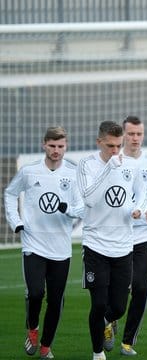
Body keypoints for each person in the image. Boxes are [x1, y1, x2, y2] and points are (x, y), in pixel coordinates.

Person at [4, 126, 84, 360]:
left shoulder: (72, 173)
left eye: (60, 146)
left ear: (65, 147)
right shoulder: (29, 172)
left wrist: (67, 209)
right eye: (52, 146)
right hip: (33, 244)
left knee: (56, 299)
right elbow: (9, 193)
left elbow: (81, 207)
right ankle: (32, 328)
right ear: (44, 145)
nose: (56, 150)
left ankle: (46, 346)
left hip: (60, 247)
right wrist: (16, 222)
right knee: (36, 293)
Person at [77, 121, 147, 360]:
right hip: (96, 244)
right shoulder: (87, 165)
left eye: (119, 146)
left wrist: (137, 208)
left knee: (118, 307)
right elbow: (89, 199)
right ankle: (98, 352)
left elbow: (141, 193)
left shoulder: (131, 165)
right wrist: (108, 168)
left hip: (123, 246)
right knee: (98, 304)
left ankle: (106, 323)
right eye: (110, 146)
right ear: (99, 142)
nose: (115, 151)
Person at [109, 116, 147, 356]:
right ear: (123, 135)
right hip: (117, 236)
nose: (135, 138)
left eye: (139, 134)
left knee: (142, 287)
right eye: (131, 134)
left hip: (144, 236)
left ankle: (127, 341)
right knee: (119, 291)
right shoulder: (113, 164)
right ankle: (109, 318)